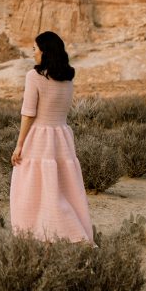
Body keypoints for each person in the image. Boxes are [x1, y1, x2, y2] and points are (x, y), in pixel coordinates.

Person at [9, 30, 94, 243]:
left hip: (39, 138)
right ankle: (71, 232)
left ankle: (35, 234)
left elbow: (28, 113)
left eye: (35, 49)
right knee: (64, 189)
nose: (33, 54)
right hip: (62, 137)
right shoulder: (67, 79)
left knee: (30, 190)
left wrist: (19, 145)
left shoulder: (34, 77)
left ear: (44, 52)